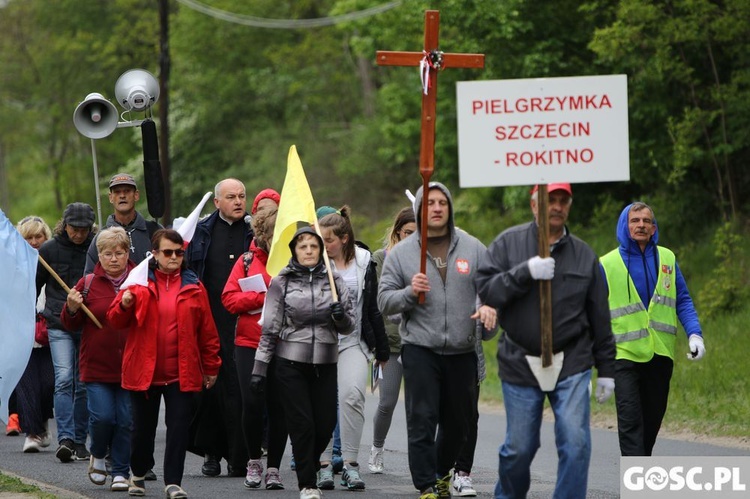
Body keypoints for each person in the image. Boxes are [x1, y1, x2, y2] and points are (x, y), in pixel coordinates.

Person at [475, 183, 616, 499]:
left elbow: (599, 316)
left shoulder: (584, 254)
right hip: (520, 361)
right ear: (533, 204)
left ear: (569, 205)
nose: (556, 206)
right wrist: (524, 272)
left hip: (573, 360)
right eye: (549, 199)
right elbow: (487, 291)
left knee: (576, 442)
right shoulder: (507, 244)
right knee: (519, 448)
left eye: (563, 200)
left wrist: (607, 369)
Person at [378, 182, 498, 499]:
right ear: (419, 208)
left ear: (450, 207)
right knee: (422, 417)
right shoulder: (402, 254)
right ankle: (426, 486)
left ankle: (440, 472)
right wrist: (408, 293)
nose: (436, 208)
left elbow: (491, 291)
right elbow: (384, 301)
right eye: (429, 202)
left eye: (442, 202)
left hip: (463, 349)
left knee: (459, 423)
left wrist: (488, 308)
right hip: (420, 347)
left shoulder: (473, 248)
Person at [107, 229, 221, 499]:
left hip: (182, 373)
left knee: (179, 428)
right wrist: (123, 305)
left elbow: (207, 330)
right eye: (167, 252)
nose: (174, 257)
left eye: (179, 252)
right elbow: (113, 320)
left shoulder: (194, 286)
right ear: (155, 254)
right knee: (142, 431)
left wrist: (212, 366)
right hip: (144, 372)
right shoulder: (137, 283)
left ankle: (173, 482)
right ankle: (138, 473)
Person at [251, 226, 355, 499]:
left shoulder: (334, 280)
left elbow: (349, 326)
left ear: (321, 250)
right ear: (294, 251)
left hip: (325, 362)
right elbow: (270, 329)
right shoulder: (281, 282)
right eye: (303, 246)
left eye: (313, 246)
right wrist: (259, 369)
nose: (309, 251)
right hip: (290, 363)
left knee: (324, 424)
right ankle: (307, 484)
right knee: (301, 423)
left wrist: (340, 316)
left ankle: (306, 460)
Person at [600, 202, 705, 456]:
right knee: (630, 422)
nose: (641, 225)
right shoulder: (607, 263)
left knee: (652, 422)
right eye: (635, 220)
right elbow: (593, 311)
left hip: (660, 354)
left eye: (646, 221)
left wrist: (695, 333)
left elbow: (682, 299)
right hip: (624, 355)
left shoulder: (667, 258)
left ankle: (640, 471)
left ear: (654, 227)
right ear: (624, 226)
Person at [317, 206, 389, 491]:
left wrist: (382, 350)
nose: (324, 246)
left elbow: (372, 308)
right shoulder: (313, 262)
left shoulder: (364, 261)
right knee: (321, 403)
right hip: (319, 343)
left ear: (344, 238)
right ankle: (322, 465)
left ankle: (350, 464)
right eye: (319, 241)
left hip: (353, 341)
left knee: (352, 396)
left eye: (329, 241)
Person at [186, 178, 253, 477]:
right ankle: (211, 453)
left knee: (239, 390)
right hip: (209, 319)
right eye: (231, 197)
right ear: (217, 202)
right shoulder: (201, 231)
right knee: (209, 390)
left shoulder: (255, 231)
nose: (238, 202)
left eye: (241, 196)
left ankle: (240, 458)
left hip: (244, 321)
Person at [61, 227, 134, 491]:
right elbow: (70, 324)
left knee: (126, 420)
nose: (113, 259)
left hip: (131, 365)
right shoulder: (88, 283)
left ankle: (121, 471)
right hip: (97, 366)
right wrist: (70, 307)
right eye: (107, 254)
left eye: (118, 252)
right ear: (98, 256)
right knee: (103, 417)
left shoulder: (140, 281)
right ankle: (99, 452)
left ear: (127, 253)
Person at [221, 206, 288, 490]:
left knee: (279, 407)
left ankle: (273, 467)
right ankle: (253, 460)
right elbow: (229, 299)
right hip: (249, 343)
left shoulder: (295, 261)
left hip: (286, 344)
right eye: (274, 234)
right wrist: (263, 296)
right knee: (252, 403)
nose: (278, 240)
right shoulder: (247, 261)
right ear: (262, 234)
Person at [36, 202, 96, 463]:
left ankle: (81, 441)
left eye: (83, 230)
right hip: (58, 324)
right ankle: (66, 439)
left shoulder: (96, 248)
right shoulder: (48, 250)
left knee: (82, 383)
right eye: (74, 229)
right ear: (65, 225)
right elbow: (34, 285)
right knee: (63, 379)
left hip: (86, 323)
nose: (79, 234)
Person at [368, 206, 415, 474]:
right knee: (387, 402)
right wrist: (376, 344)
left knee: (419, 407)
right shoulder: (379, 259)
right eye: (407, 233)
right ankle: (376, 448)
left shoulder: (427, 259)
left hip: (420, 343)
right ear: (397, 232)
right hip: (390, 344)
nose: (412, 239)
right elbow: (375, 304)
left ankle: (421, 458)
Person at [15, 216, 54, 453]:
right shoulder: (12, 265)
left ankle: (43, 422)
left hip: (49, 331)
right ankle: (32, 433)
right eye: (28, 237)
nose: (34, 241)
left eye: (38, 236)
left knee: (49, 383)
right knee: (27, 385)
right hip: (22, 332)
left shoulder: (53, 260)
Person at [84, 173, 162, 274]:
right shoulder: (100, 238)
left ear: (136, 195)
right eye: (117, 192)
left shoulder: (154, 231)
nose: (122, 196)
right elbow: (90, 279)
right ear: (111, 197)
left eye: (127, 191)